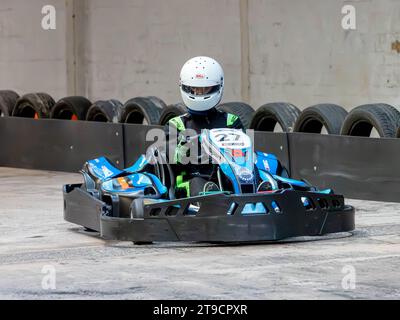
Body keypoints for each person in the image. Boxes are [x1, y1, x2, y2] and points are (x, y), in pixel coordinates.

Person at [165, 56, 244, 197]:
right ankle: (212, 199)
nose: (200, 94)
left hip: (228, 179)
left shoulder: (231, 121)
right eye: (195, 89)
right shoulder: (177, 124)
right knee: (199, 184)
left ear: (217, 87)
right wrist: (190, 148)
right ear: (185, 87)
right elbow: (172, 159)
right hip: (190, 182)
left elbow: (243, 156)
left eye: (205, 89)